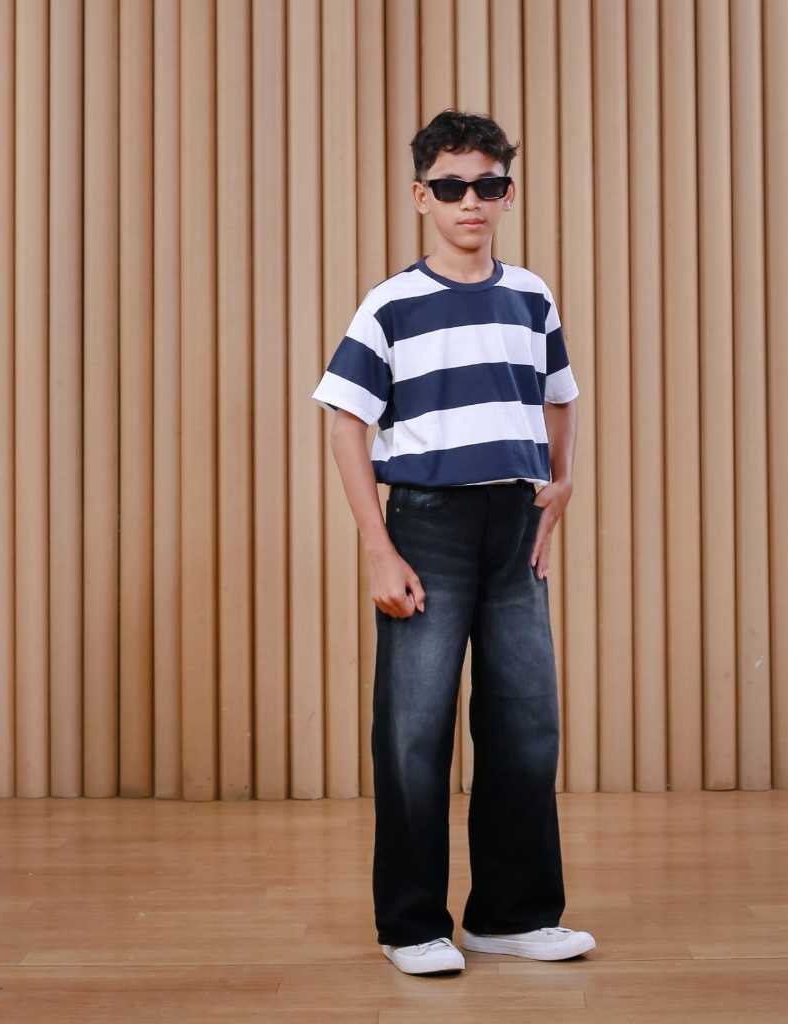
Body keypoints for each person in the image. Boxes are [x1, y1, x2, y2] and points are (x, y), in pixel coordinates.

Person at [310, 109, 596, 975]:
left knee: (524, 722)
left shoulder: (531, 295)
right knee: (414, 726)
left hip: (514, 526)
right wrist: (378, 547)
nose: (470, 201)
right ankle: (411, 926)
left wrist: (561, 485)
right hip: (427, 524)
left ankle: (511, 914)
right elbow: (344, 422)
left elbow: (559, 398)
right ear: (421, 196)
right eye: (451, 187)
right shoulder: (391, 305)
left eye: (488, 185)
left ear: (508, 193)